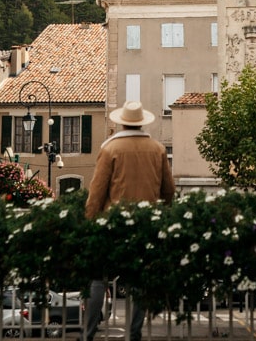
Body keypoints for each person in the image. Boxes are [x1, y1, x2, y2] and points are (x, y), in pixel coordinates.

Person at [84, 100, 175, 341]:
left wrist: (90, 221)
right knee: (138, 281)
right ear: (141, 123)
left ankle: (88, 333)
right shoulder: (158, 150)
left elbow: (97, 192)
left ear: (122, 122)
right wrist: (161, 214)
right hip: (146, 225)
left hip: (113, 224)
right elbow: (169, 190)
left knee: (97, 279)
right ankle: (133, 333)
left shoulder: (110, 150)